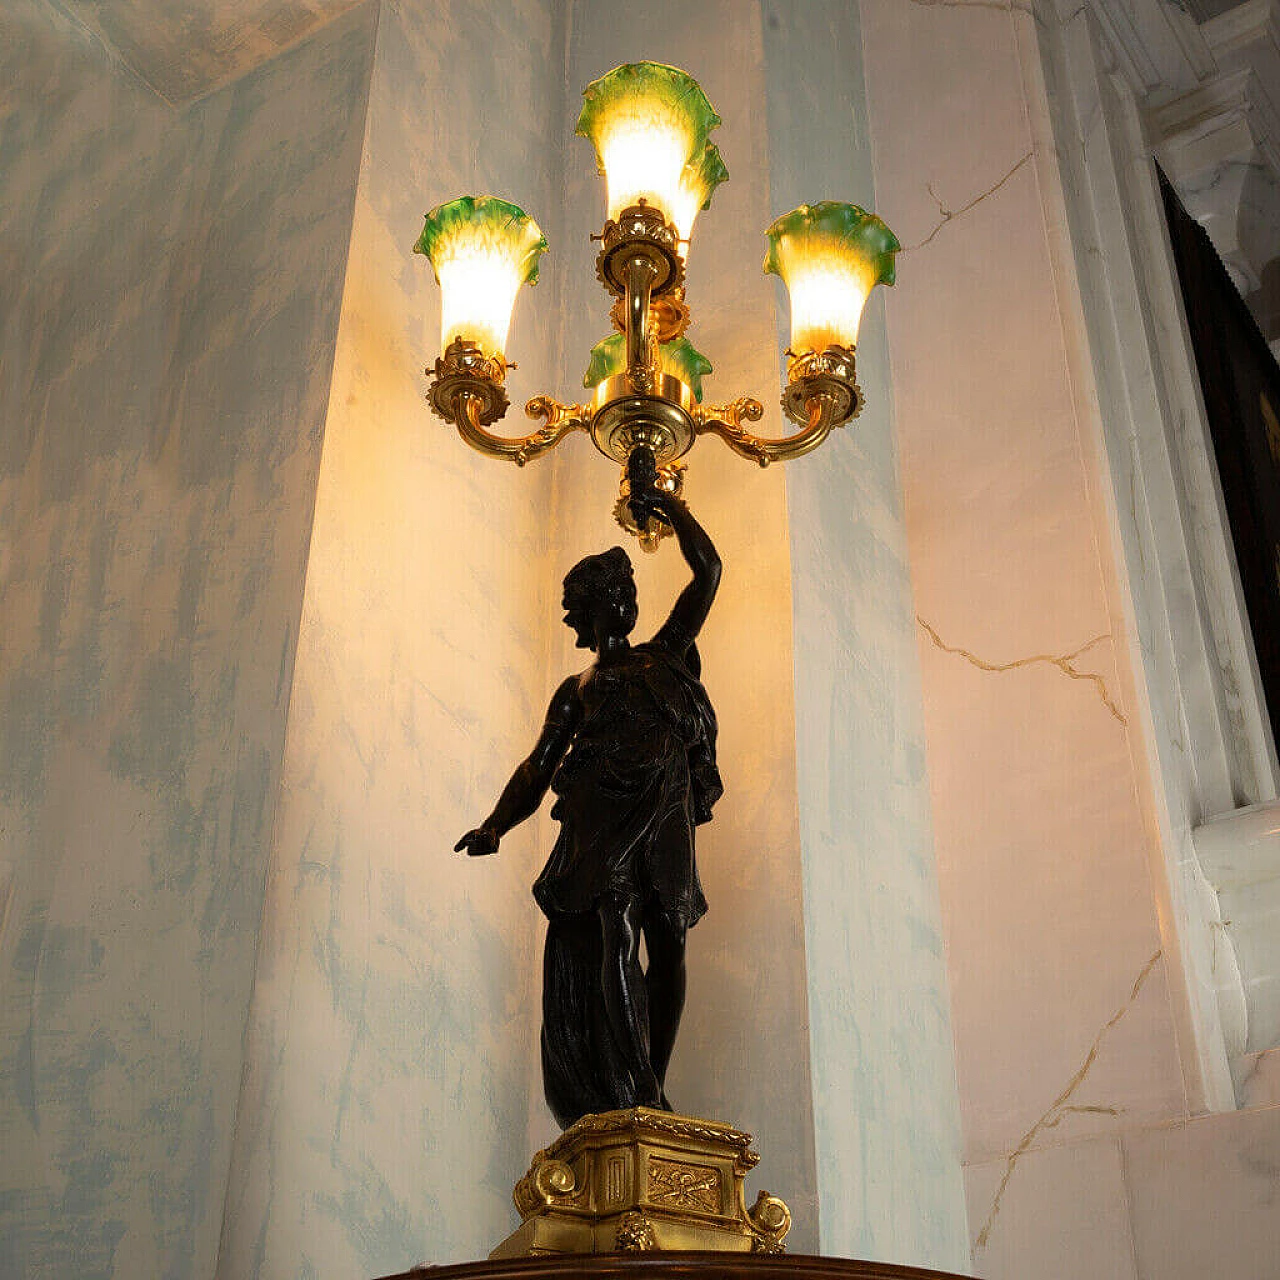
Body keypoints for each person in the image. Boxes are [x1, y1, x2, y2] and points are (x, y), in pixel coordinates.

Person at [454, 485, 723, 1128]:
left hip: (662, 819)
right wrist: (495, 825)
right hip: (601, 825)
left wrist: (666, 502)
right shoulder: (576, 690)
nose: (617, 609)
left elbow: (708, 571)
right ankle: (635, 1093)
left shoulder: (667, 654)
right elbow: (537, 767)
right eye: (602, 602)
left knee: (671, 940)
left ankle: (652, 1084)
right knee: (616, 930)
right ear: (588, 614)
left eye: (621, 596)